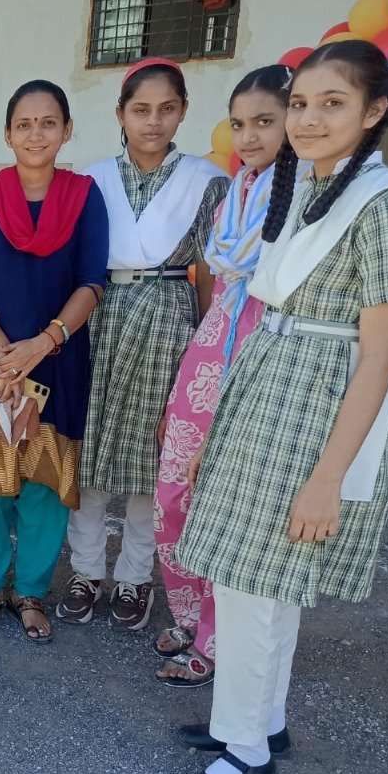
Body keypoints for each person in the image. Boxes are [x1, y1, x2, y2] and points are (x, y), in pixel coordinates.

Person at [174, 40, 388, 774]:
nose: (310, 120)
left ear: (376, 110)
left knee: (255, 580)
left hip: (314, 405)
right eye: (303, 104)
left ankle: (246, 751)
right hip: (267, 386)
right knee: (256, 579)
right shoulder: (306, 184)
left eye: (333, 104)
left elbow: (378, 355)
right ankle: (259, 722)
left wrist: (327, 478)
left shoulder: (387, 203)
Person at [62, 58, 228, 632]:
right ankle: (85, 571)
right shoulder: (93, 180)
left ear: (183, 112)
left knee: (150, 458)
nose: (153, 121)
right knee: (90, 452)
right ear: (120, 115)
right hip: (101, 316)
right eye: (140, 110)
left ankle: (135, 578)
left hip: (168, 320)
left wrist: (207, 341)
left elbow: (207, 271)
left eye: (166, 109)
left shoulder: (205, 180)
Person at [0, 81, 107, 642]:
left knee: (45, 477)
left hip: (58, 359)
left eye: (48, 123)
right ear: (7, 134)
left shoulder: (84, 196)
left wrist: (42, 344)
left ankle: (33, 591)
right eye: (24, 124)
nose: (36, 134)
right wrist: (5, 357)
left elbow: (91, 282)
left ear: (67, 130)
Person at [152, 65, 291, 688]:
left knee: (229, 502)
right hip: (214, 340)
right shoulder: (238, 190)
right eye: (238, 124)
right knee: (176, 487)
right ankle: (189, 613)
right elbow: (219, 279)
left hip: (263, 347)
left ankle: (217, 639)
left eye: (265, 121)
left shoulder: (306, 198)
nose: (249, 136)